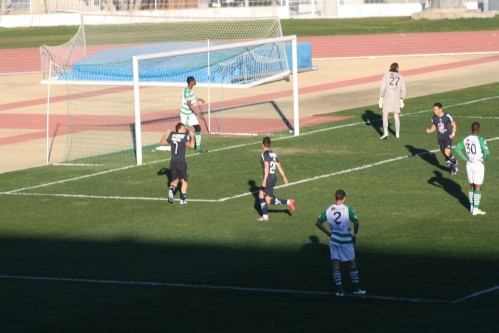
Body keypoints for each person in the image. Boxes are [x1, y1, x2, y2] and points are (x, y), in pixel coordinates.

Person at [315, 189, 366, 297]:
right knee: (352, 263)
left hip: (334, 239)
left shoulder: (328, 210)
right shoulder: (348, 209)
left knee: (336, 264)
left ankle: (340, 291)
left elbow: (318, 223)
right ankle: (356, 289)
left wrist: (328, 233)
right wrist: (355, 235)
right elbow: (356, 222)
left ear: (335, 198)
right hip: (346, 239)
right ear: (344, 198)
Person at [454, 122, 490, 215]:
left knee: (471, 186)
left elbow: (457, 148)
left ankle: (471, 208)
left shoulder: (466, 139)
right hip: (478, 164)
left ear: (471, 129)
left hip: (469, 164)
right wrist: (484, 161)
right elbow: (487, 153)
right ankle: (475, 210)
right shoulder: (480, 139)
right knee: (478, 187)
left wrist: (465, 158)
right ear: (479, 130)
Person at [258, 136, 295, 221]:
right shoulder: (274, 154)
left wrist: (264, 180)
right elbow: (279, 166)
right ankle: (265, 216)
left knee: (268, 200)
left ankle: (289, 202)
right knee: (260, 194)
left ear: (262, 145)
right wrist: (284, 176)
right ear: (269, 145)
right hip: (274, 177)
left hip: (268, 178)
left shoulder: (264, 155)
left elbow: (266, 168)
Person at [159, 122, 195, 205]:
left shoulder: (172, 136)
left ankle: (171, 190)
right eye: (183, 129)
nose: (185, 130)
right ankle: (182, 199)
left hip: (173, 162)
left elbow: (162, 142)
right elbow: (192, 146)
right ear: (179, 130)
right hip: (181, 163)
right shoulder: (184, 137)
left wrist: (166, 134)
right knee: (184, 181)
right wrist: (192, 137)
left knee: (175, 180)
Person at [426, 102, 459, 176]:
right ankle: (451, 167)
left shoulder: (447, 116)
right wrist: (430, 130)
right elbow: (434, 126)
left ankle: (454, 163)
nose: (435, 111)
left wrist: (452, 134)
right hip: (440, 138)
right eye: (434, 109)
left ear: (441, 109)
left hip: (448, 138)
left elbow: (454, 125)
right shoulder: (434, 118)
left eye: (436, 109)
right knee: (444, 155)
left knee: (447, 153)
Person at [379, 62, 406, 139]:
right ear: (397, 68)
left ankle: (386, 133)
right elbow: (403, 89)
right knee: (396, 115)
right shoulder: (401, 76)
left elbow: (382, 87)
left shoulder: (386, 75)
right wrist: (401, 99)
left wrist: (381, 96)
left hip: (388, 95)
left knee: (385, 114)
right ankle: (397, 133)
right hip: (396, 96)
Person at [181, 76, 206, 153]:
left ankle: (198, 148)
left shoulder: (191, 91)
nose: (195, 81)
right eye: (194, 80)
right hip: (185, 114)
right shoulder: (186, 91)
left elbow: (194, 99)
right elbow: (189, 105)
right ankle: (180, 144)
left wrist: (200, 99)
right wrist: (198, 114)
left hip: (190, 114)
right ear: (191, 81)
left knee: (198, 128)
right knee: (183, 131)